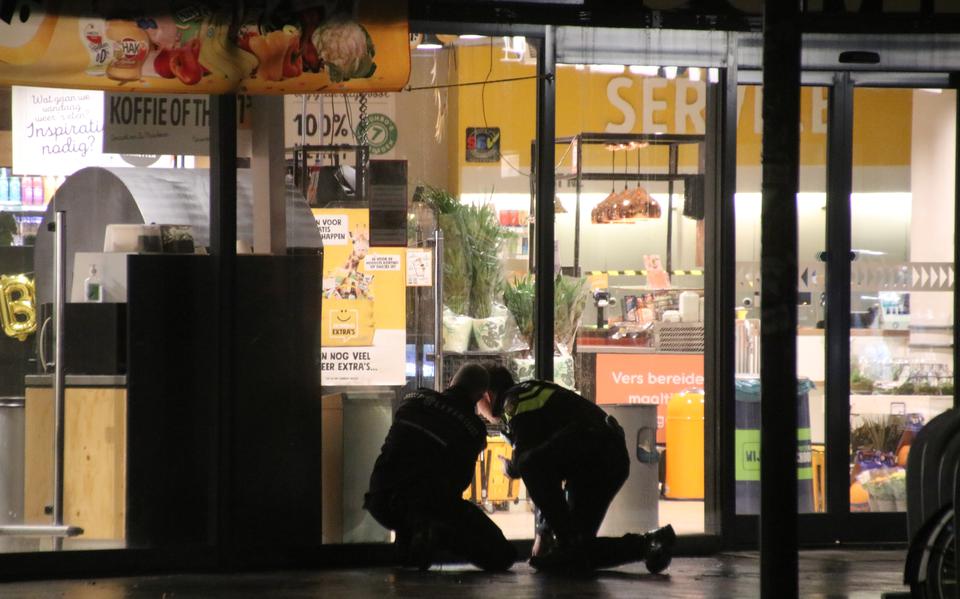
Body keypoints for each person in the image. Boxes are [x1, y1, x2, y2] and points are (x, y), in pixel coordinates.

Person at [481, 364, 676, 574]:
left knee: (529, 465)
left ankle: (568, 543)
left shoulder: (516, 400)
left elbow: (529, 464)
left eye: (477, 403)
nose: (479, 411)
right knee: (573, 555)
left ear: (487, 395)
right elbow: (546, 473)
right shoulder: (530, 393)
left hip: (594, 455)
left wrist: (511, 468)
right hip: (603, 459)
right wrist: (545, 531)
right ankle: (649, 543)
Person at [363, 363, 517, 572]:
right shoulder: (474, 429)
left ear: (451, 381)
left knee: (414, 492)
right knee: (503, 556)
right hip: (430, 508)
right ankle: (429, 531)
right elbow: (460, 483)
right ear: (482, 396)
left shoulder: (413, 399)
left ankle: (412, 538)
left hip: (380, 500)